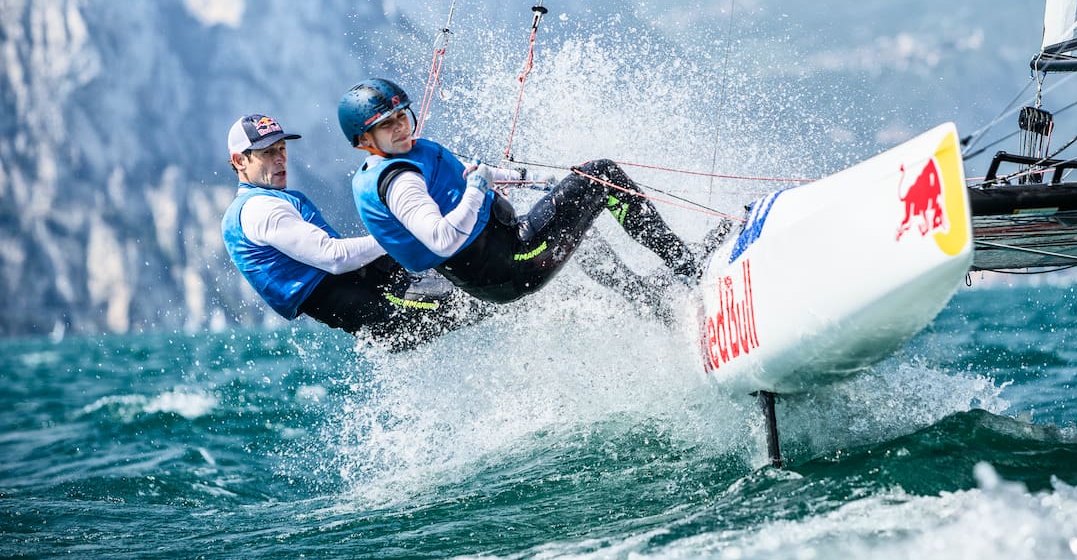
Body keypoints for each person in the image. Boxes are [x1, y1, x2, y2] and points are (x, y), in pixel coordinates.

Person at [338, 78, 713, 309]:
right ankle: (691, 272)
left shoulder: (403, 156)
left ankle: (648, 301)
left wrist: (532, 178)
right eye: (386, 125)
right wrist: (477, 190)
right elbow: (441, 238)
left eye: (401, 116)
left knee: (579, 226)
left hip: (504, 257)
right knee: (601, 175)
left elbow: (465, 172)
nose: (401, 128)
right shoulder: (400, 183)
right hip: (512, 264)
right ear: (364, 139)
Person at [221, 113, 488, 349]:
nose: (280, 158)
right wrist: (397, 236)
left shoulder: (256, 205)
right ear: (239, 160)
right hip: (383, 302)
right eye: (268, 152)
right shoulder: (260, 209)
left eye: (282, 148)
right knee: (485, 297)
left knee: (481, 290)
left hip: (381, 298)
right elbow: (334, 257)